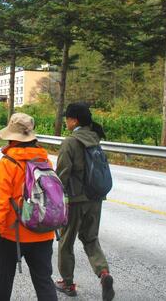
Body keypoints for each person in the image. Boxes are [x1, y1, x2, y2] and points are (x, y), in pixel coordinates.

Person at [0, 113, 58, 301]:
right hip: (43, 231)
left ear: (12, 137)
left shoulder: (8, 162)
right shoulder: (45, 160)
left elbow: (1, 203)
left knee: (3, 280)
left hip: (13, 235)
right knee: (44, 281)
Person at [55, 103, 114, 301]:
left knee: (66, 242)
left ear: (75, 120)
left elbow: (62, 174)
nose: (66, 121)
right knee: (90, 238)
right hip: (96, 198)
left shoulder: (70, 142)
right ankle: (104, 273)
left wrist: (56, 199)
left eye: (68, 118)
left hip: (76, 200)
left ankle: (68, 283)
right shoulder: (95, 139)